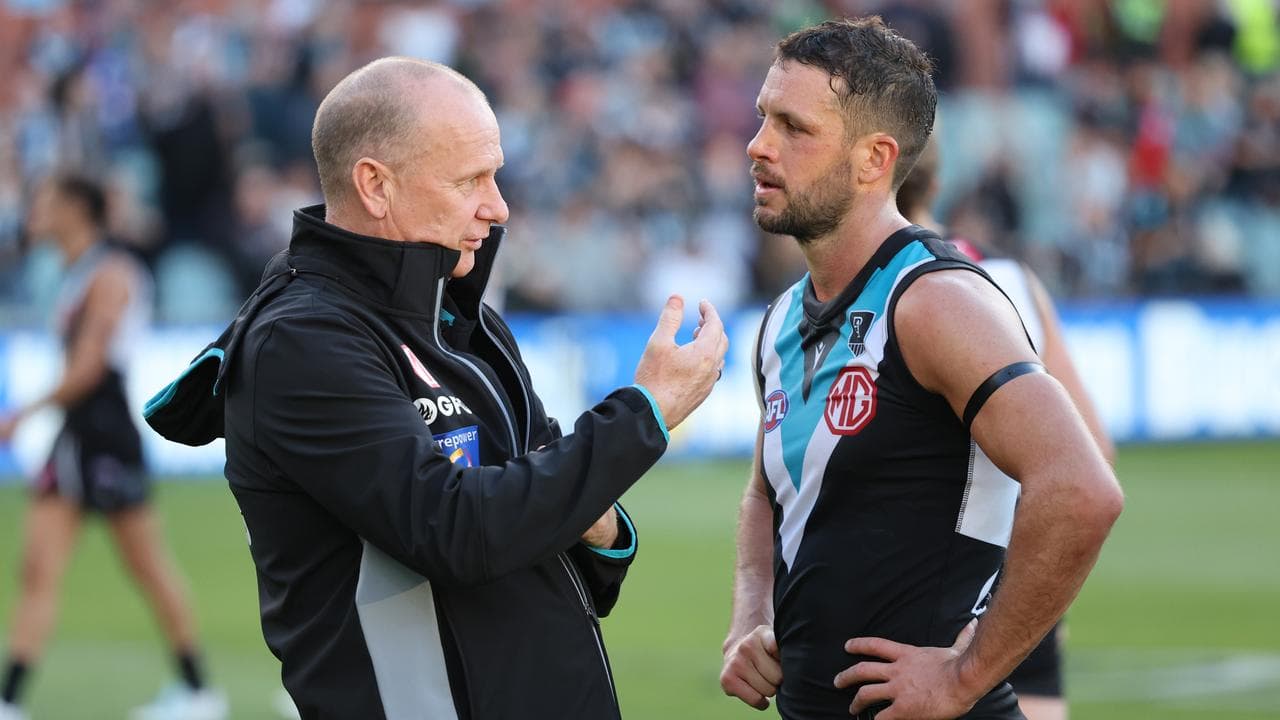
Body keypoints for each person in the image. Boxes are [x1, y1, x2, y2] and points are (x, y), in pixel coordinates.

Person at [142, 57, 728, 719]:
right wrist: (642, 415)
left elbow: (582, 569)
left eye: (496, 174)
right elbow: (455, 532)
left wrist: (594, 522)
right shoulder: (300, 343)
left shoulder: (463, 318)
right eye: (470, 178)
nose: (498, 205)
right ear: (375, 186)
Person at [720, 17, 1123, 720]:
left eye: (793, 126)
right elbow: (764, 495)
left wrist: (966, 676)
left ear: (875, 159)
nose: (758, 146)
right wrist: (751, 612)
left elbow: (1083, 488)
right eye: (763, 118)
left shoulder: (936, 302)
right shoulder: (782, 316)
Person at [897, 135, 1118, 720]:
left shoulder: (866, 296)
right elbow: (1094, 450)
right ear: (938, 185)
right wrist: (1041, 591)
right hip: (1011, 573)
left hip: (914, 592)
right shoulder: (1010, 279)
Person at [0, 175, 227, 720]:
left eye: (49, 200)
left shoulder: (110, 273)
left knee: (147, 565)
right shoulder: (78, 272)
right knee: (38, 568)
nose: (38, 211)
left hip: (102, 436)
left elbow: (89, 369)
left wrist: (21, 416)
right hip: (75, 438)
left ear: (79, 209)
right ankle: (9, 701)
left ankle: (199, 691)